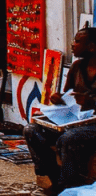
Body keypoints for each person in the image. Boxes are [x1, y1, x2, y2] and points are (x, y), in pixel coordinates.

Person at [24, 28, 96, 194]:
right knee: (31, 130)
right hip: (74, 120)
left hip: (92, 124)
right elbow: (67, 96)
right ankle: (53, 178)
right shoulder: (77, 67)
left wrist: (91, 101)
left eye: (78, 41)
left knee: (68, 139)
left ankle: (69, 185)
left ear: (91, 47)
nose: (73, 45)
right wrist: (59, 99)